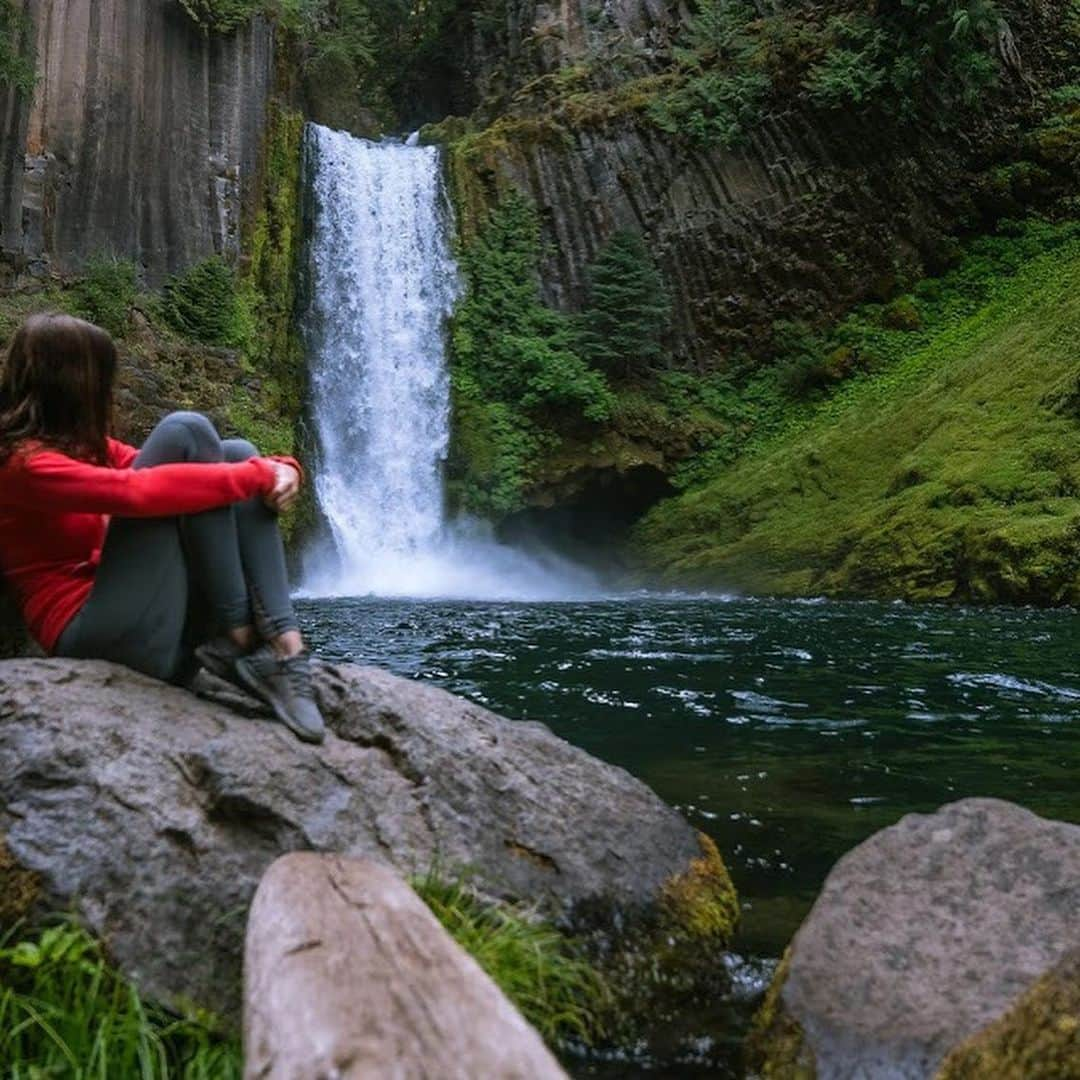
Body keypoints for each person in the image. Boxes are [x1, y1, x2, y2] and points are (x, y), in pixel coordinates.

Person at [0, 312, 326, 744]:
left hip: (158, 632)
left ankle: (285, 646)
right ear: (76, 383)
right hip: (99, 638)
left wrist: (283, 467)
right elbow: (137, 491)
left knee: (236, 451)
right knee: (187, 431)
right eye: (104, 377)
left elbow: (180, 475)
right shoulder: (20, 466)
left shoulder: (85, 448)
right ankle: (242, 634)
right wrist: (260, 475)